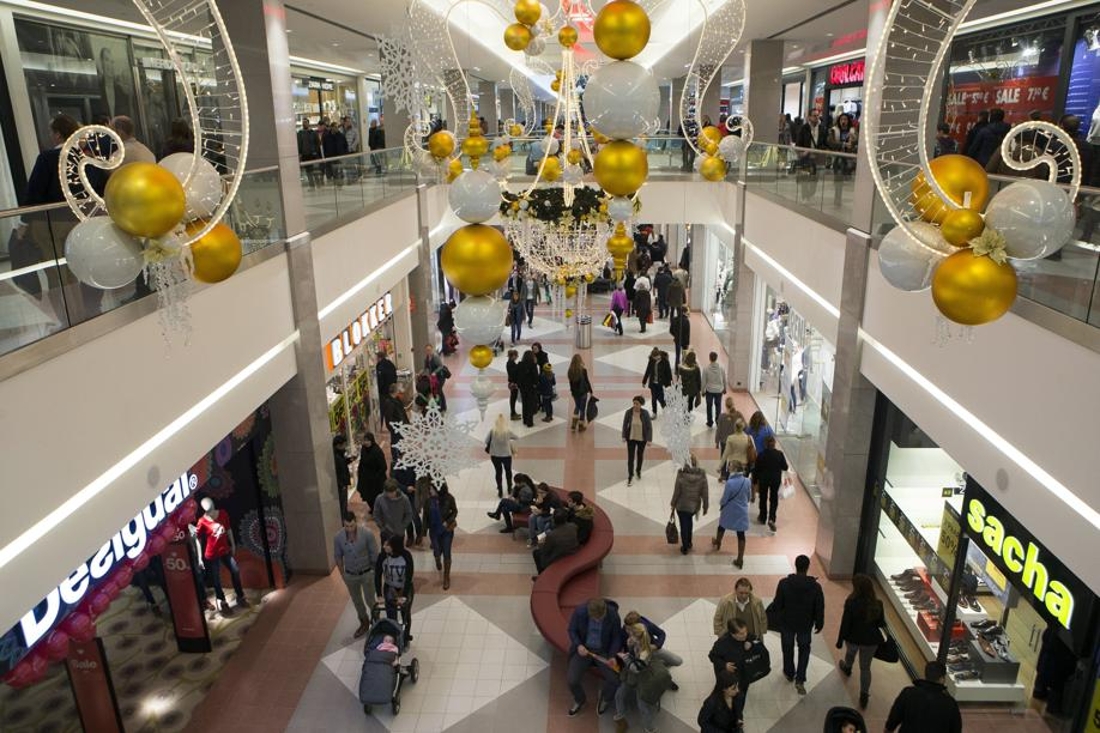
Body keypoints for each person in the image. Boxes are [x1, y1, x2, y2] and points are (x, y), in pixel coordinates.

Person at [772, 554, 825, 695]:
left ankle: (789, 672)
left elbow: (778, 604)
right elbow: (819, 607)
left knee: (787, 647)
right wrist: (819, 622)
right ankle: (800, 679)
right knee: (804, 649)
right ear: (807, 567)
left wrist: (777, 617)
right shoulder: (815, 587)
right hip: (805, 624)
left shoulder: (784, 583)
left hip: (787, 623)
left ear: (795, 566)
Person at [836, 573, 886, 709]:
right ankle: (864, 694)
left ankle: (848, 667)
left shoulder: (851, 602)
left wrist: (840, 640)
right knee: (865, 667)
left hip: (853, 638)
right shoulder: (878, 604)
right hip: (871, 641)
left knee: (850, 654)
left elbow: (845, 623)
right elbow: (881, 623)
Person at [566, 598, 622, 717]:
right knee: (572, 680)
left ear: (605, 611)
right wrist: (579, 645)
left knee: (615, 681)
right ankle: (580, 700)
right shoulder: (580, 612)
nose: (597, 620)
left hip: (603, 652)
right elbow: (572, 630)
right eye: (594, 619)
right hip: (584, 650)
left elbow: (617, 637)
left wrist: (612, 656)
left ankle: (605, 698)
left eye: (600, 618)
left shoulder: (613, 615)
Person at [613, 624, 673, 733]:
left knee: (642, 706)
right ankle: (621, 719)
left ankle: (650, 729)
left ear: (637, 637)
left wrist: (625, 657)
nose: (629, 636)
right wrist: (630, 647)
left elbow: (636, 668)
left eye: (631, 634)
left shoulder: (645, 652)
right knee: (619, 695)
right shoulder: (638, 643)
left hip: (644, 677)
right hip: (633, 674)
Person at [334, 510, 379, 638]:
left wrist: (373, 571)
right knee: (357, 601)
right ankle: (364, 622)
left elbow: (374, 554)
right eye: (346, 526)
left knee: (370, 599)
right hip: (350, 574)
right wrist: (343, 574)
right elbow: (337, 556)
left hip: (366, 573)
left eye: (352, 526)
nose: (349, 529)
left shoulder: (367, 534)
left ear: (356, 522)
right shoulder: (338, 537)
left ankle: (376, 622)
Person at [884, 661, 962, 733]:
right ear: (942, 679)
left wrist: (888, 729)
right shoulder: (950, 703)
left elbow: (894, 716)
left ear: (926, 675)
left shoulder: (908, 693)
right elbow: (956, 729)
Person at [708, 618, 756, 727]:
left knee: (741, 695)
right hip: (728, 677)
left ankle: (738, 717)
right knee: (725, 696)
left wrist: (751, 644)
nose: (745, 635)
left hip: (744, 674)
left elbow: (757, 643)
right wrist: (724, 665)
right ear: (732, 634)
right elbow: (712, 656)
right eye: (741, 633)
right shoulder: (722, 643)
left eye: (745, 631)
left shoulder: (749, 637)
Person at [374, 535, 415, 643]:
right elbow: (377, 575)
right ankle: (394, 637)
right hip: (390, 587)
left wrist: (404, 596)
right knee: (391, 615)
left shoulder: (406, 556)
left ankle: (405, 636)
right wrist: (379, 594)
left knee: (405, 613)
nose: (384, 546)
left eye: (387, 544)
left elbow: (409, 577)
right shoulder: (382, 556)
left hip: (404, 587)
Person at [422, 479, 457, 590]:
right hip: (434, 531)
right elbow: (425, 516)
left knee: (447, 552)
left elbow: (455, 511)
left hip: (446, 530)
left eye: (432, 489)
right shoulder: (428, 501)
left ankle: (446, 577)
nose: (430, 491)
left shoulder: (449, 498)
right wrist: (423, 532)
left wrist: (448, 521)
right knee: (437, 550)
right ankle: (437, 558)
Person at [670, 455, 708, 554]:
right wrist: (705, 506)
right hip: (693, 506)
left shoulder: (681, 473)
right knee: (689, 521)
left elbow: (677, 490)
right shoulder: (702, 474)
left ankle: (685, 546)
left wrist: (673, 503)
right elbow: (705, 492)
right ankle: (689, 541)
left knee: (683, 525)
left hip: (681, 505)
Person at [714, 468, 751, 567]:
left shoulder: (730, 483)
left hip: (729, 510)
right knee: (741, 534)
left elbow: (725, 498)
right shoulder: (747, 481)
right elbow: (748, 497)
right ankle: (740, 559)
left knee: (722, 526)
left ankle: (718, 542)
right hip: (741, 511)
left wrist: (721, 504)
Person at [753, 436, 788, 531]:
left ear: (765, 444)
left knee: (763, 498)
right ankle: (772, 518)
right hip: (775, 480)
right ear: (774, 444)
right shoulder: (779, 454)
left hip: (764, 480)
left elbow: (756, 469)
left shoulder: (761, 455)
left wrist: (755, 481)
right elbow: (785, 467)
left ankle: (762, 517)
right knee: (773, 499)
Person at [533, 508, 579, 574]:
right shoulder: (573, 526)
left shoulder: (552, 535)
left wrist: (540, 544)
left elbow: (545, 551)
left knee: (536, 553)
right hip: (572, 553)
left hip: (558, 557)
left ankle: (542, 574)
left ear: (553, 520)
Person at [621, 396, 653, 486]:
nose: (635, 405)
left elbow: (649, 427)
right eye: (634, 403)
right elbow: (624, 425)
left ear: (641, 404)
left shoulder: (645, 413)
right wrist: (623, 436)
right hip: (631, 438)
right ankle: (630, 475)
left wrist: (649, 439)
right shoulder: (628, 412)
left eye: (637, 404)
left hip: (642, 439)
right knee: (630, 458)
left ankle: (638, 471)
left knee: (640, 456)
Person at [796, 108, 827, 201]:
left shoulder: (822, 128)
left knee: (815, 178)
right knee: (805, 177)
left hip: (817, 158)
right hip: (806, 157)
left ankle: (810, 194)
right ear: (809, 117)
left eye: (818, 115)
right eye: (814, 115)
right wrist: (802, 152)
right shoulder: (804, 128)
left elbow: (825, 143)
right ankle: (805, 196)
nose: (816, 117)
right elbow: (799, 143)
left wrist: (821, 150)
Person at [486, 414, 518, 497]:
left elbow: (486, 441)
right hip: (506, 455)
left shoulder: (492, 431)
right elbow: (516, 437)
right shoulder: (507, 431)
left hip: (495, 455)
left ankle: (500, 490)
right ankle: (509, 488)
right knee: (508, 471)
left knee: (498, 472)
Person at [374, 478, 414, 543]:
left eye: (392, 492)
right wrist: (382, 527)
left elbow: (409, 514)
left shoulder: (404, 499)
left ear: (396, 489)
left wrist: (402, 527)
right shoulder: (379, 499)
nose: (390, 495)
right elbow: (376, 514)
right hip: (385, 533)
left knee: (398, 549)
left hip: (399, 533)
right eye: (388, 493)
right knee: (384, 549)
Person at [356, 432, 388, 513]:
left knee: (376, 496)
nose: (366, 442)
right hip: (366, 478)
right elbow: (362, 461)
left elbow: (383, 467)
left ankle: (378, 510)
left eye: (368, 440)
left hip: (376, 480)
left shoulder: (377, 451)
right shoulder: (363, 449)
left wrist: (376, 477)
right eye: (365, 440)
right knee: (367, 496)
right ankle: (373, 509)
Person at [641, 347, 672, 417]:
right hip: (653, 383)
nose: (655, 359)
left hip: (661, 383)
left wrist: (669, 384)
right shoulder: (651, 360)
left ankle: (665, 408)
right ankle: (654, 412)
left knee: (661, 397)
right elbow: (648, 370)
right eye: (654, 358)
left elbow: (668, 372)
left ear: (659, 355)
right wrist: (644, 381)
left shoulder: (665, 361)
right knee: (654, 398)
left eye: (656, 358)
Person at [381, 384, 409, 459]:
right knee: (395, 442)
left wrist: (406, 423)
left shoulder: (396, 400)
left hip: (400, 426)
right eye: (398, 390)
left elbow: (402, 413)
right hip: (396, 427)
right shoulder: (390, 403)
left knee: (400, 441)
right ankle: (396, 457)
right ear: (395, 391)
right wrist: (392, 428)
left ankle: (400, 454)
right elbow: (388, 418)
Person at [567, 354, 593, 432]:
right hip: (583, 393)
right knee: (582, 409)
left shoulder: (570, 371)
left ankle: (573, 425)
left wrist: (572, 392)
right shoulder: (583, 370)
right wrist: (591, 391)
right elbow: (587, 381)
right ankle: (581, 426)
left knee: (577, 407)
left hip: (575, 393)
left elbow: (571, 384)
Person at [702, 351, 727, 428]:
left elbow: (703, 381)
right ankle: (718, 421)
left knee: (709, 406)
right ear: (716, 358)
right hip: (719, 391)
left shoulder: (706, 369)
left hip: (709, 390)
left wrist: (702, 391)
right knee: (718, 406)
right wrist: (725, 388)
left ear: (709, 358)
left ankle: (709, 422)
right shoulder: (721, 368)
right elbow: (724, 379)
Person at [517, 349, 540, 427]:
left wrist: (519, 385)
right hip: (531, 387)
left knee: (524, 403)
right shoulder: (533, 365)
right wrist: (536, 384)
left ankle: (525, 419)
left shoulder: (520, 364)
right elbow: (535, 377)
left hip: (523, 387)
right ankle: (529, 422)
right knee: (530, 404)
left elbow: (518, 376)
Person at [297, 118, 323, 189]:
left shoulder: (313, 133)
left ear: (308, 123)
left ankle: (318, 184)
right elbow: (299, 144)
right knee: (308, 171)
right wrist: (300, 153)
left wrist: (315, 151)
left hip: (313, 155)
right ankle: (312, 185)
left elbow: (318, 143)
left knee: (315, 170)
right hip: (305, 155)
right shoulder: (300, 134)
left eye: (306, 122)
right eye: (303, 122)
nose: (304, 124)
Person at [423, 344, 448, 412]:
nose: (428, 351)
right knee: (436, 391)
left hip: (440, 377)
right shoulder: (426, 358)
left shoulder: (435, 357)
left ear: (432, 349)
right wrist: (420, 373)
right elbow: (425, 368)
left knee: (439, 391)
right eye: (427, 350)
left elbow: (441, 366)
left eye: (429, 350)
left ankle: (443, 407)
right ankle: (439, 406)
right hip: (434, 379)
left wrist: (435, 372)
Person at [332, 434, 353, 519]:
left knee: (344, 503)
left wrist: (349, 460)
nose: (345, 446)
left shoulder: (339, 454)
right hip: (342, 485)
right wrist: (342, 484)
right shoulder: (336, 457)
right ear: (338, 445)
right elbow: (339, 471)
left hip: (343, 483)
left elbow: (343, 464)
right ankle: (344, 519)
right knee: (343, 503)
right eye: (344, 444)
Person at [505, 349, 521, 420]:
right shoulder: (510, 363)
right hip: (513, 383)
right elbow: (513, 373)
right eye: (516, 355)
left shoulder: (510, 363)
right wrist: (518, 366)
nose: (517, 357)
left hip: (512, 382)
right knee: (513, 398)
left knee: (513, 398)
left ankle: (513, 412)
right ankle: (513, 414)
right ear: (513, 356)